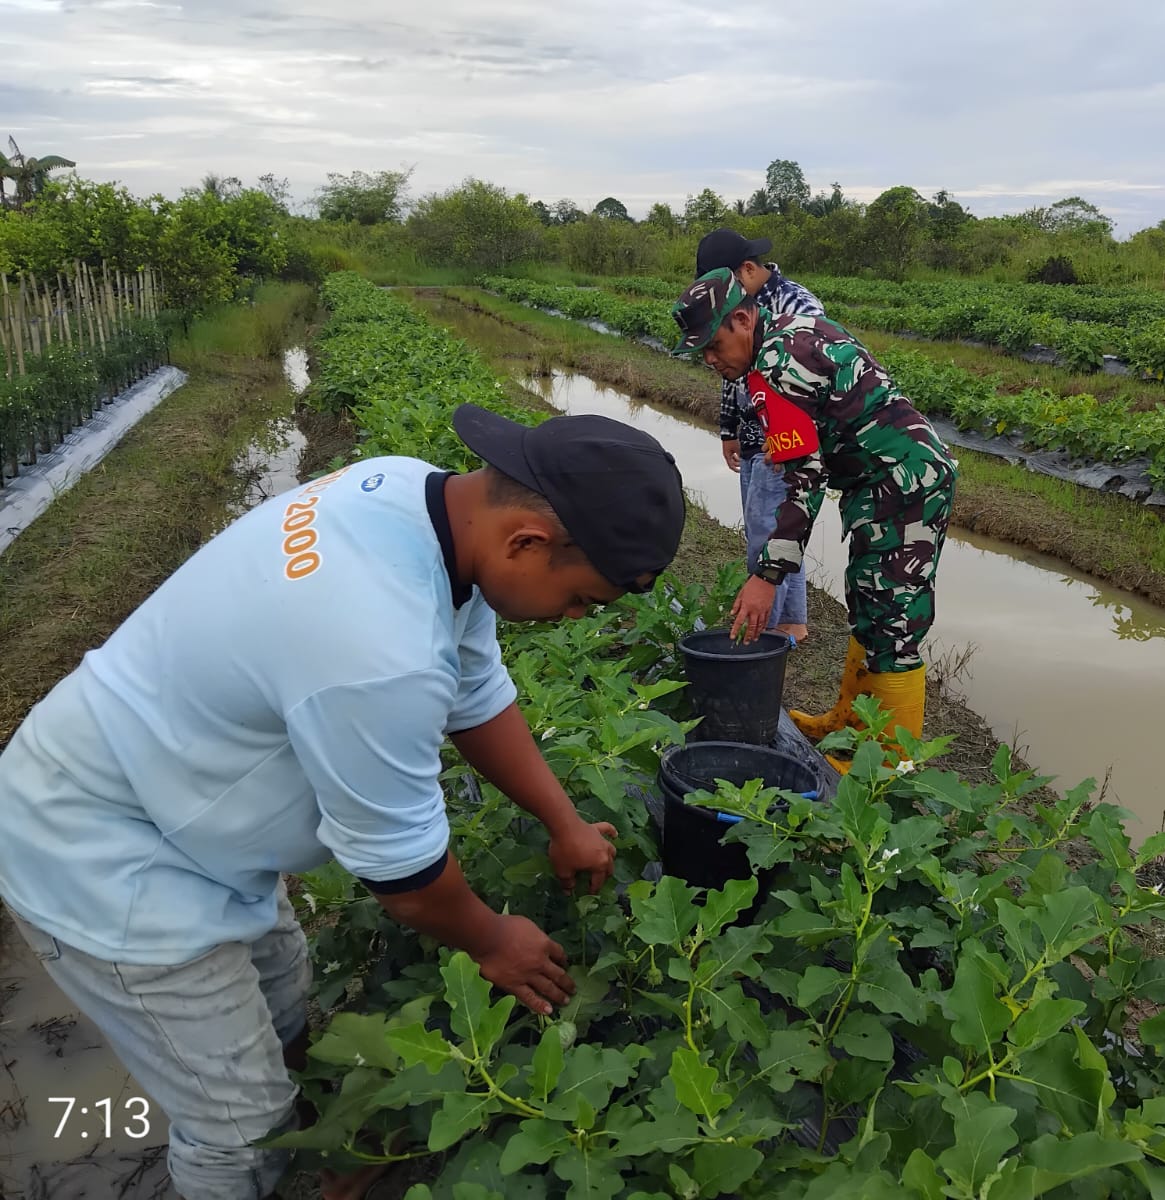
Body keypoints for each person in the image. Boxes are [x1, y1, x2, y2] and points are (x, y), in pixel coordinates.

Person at [0, 406, 685, 1200]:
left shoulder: (413, 496)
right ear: (526, 541)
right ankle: (260, 1159)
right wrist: (496, 940)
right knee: (235, 1130)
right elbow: (411, 882)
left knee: (288, 998)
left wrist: (563, 821)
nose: (575, 619)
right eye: (583, 600)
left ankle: (314, 1139)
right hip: (101, 850)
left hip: (175, 800)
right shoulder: (379, 651)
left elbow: (476, 690)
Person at [670, 267, 957, 766]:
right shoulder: (779, 341)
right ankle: (848, 719)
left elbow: (803, 482)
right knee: (868, 599)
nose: (711, 360)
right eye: (702, 354)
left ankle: (888, 765)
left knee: (894, 620)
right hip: (880, 484)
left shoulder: (781, 368)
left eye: (714, 346)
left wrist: (767, 575)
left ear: (742, 318)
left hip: (905, 483)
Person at [696, 227, 824, 644]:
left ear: (747, 270)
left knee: (769, 529)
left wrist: (790, 435)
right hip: (754, 433)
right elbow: (732, 375)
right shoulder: (735, 314)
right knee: (777, 526)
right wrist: (729, 427)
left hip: (784, 434)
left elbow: (808, 382)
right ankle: (790, 623)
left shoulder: (797, 307)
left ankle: (764, 631)